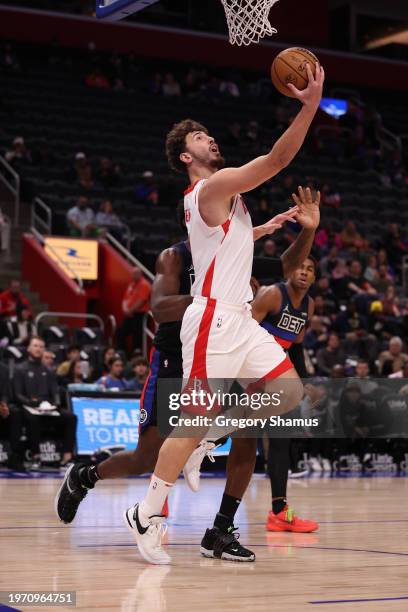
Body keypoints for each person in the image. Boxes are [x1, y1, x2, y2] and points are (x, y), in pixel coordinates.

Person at [125, 61, 324, 564]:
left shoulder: (225, 205)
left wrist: (266, 227)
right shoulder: (210, 189)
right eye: (200, 136)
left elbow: (223, 243)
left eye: (209, 133)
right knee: (186, 425)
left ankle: (210, 435)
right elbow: (277, 160)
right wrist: (309, 107)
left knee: (286, 391)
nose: (210, 139)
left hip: (239, 318)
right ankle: (145, 512)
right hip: (212, 322)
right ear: (185, 155)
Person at [55, 184, 320, 556]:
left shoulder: (236, 250)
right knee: (147, 455)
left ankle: (221, 529)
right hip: (175, 360)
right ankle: (86, 476)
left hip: (224, 348)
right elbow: (159, 309)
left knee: (246, 439)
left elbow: (289, 268)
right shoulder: (174, 257)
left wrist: (307, 229)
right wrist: (212, 299)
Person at [251, 257, 318, 532]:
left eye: (310, 269)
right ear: (290, 270)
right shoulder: (271, 294)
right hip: (251, 373)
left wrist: (303, 383)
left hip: (279, 377)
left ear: (314, 278)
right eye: (300, 266)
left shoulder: (309, 306)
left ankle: (279, 511)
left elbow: (297, 347)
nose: (304, 271)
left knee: (281, 441)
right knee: (208, 436)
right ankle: (161, 491)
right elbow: (243, 333)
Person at [14, 336, 77, 469]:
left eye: (41, 346)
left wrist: (55, 404)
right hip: (29, 407)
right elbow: (18, 394)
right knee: (33, 418)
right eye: (35, 346)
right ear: (29, 348)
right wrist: (32, 403)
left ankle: (67, 457)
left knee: (71, 417)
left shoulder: (48, 370)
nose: (38, 349)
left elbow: (55, 392)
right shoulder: (20, 369)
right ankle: (36, 457)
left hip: (48, 408)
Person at [117, 267, 151, 354]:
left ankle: (136, 355)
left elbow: (142, 300)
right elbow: (125, 299)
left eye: (136, 273)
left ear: (140, 274)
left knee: (137, 337)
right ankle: (123, 354)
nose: (133, 275)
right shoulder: (131, 284)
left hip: (140, 315)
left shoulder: (144, 284)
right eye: (132, 273)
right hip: (129, 315)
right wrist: (125, 309)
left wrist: (130, 311)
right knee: (120, 333)